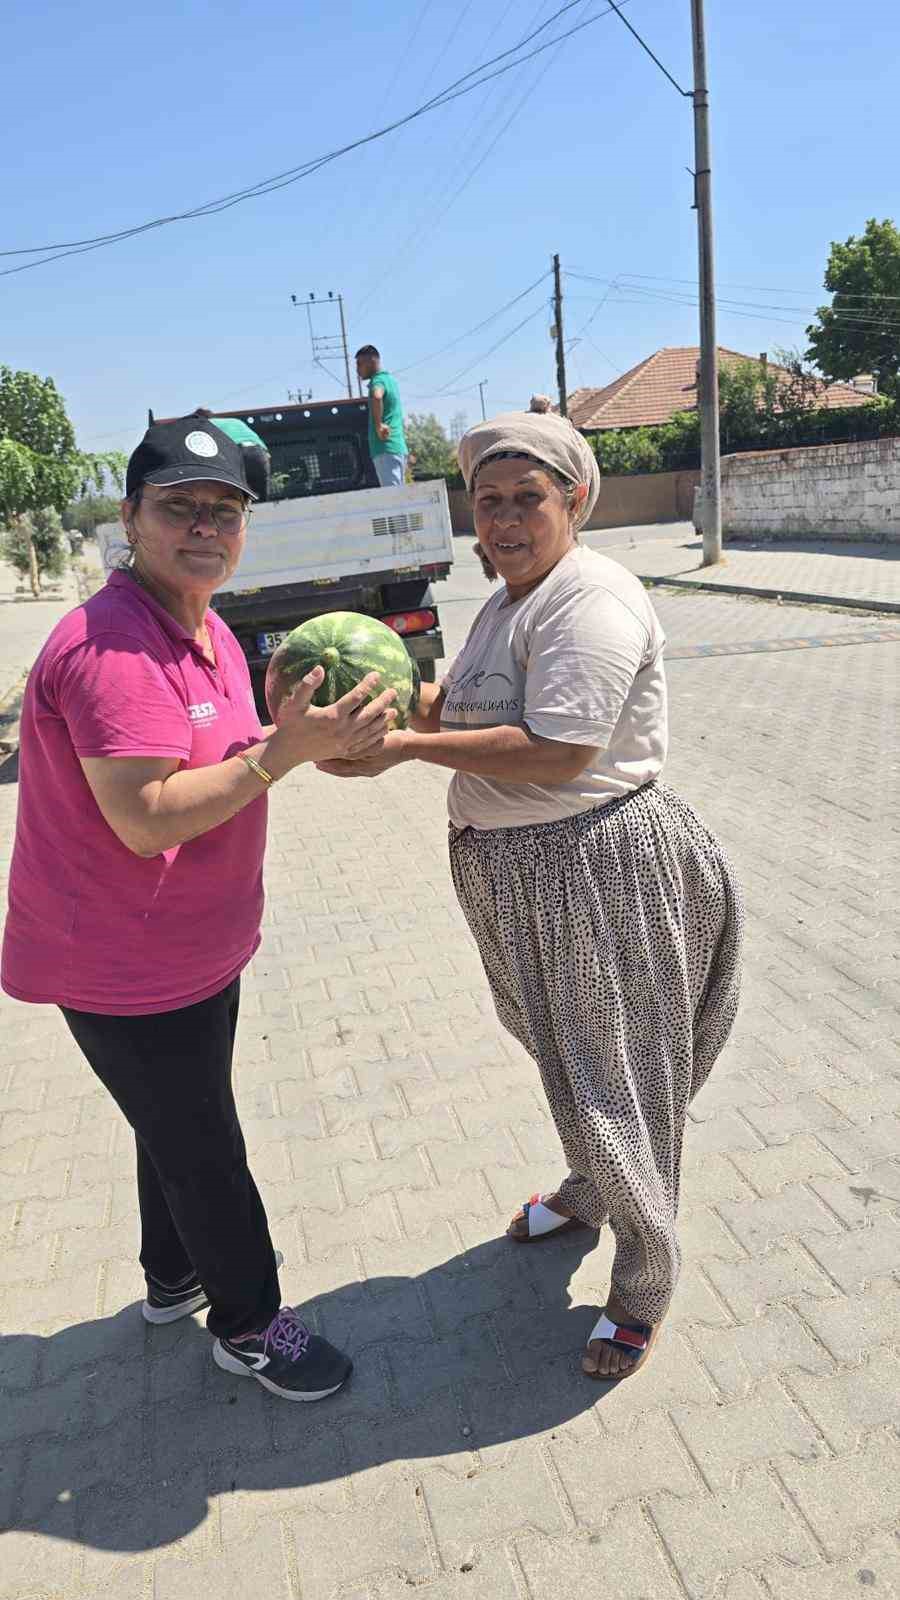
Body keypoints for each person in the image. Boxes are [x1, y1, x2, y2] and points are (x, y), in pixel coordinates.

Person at [317, 410, 743, 1382]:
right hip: (521, 874)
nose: (504, 519)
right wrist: (374, 711)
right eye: (488, 500)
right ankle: (594, 1186)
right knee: (566, 1052)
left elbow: (561, 748)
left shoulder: (590, 600)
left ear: (575, 501)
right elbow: (467, 706)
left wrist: (405, 748)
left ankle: (644, 1280)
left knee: (615, 1077)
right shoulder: (511, 599)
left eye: (528, 499)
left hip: (595, 871)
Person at [1, 415, 396, 1402]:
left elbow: (224, 750)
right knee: (206, 1148)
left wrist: (303, 739)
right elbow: (144, 819)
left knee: (174, 1123)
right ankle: (250, 1324)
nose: (205, 527)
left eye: (224, 510)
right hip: (125, 963)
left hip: (190, 948)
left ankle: (172, 1276)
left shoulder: (204, 622)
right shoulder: (113, 650)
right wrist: (280, 756)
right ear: (131, 517)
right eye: (180, 507)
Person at [191, 406, 271, 501]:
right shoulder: (235, 421)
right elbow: (266, 453)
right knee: (261, 498)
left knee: (236, 494)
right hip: (259, 452)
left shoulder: (205, 424)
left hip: (237, 452)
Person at [355, 345, 408, 487]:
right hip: (397, 447)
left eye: (360, 364)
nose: (357, 369)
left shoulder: (377, 381)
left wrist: (378, 426)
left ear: (372, 361)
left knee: (393, 496)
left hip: (385, 448)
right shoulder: (390, 380)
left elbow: (377, 396)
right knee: (399, 494)